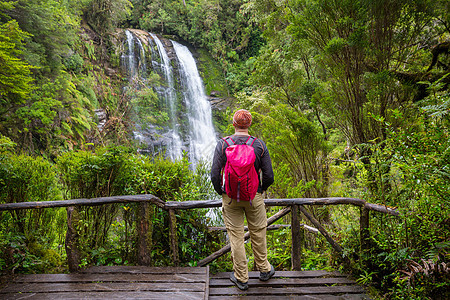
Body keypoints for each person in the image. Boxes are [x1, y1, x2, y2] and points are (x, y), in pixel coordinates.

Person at [211, 109, 275, 290]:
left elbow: (214, 175)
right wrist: (260, 190)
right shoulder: (259, 145)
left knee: (236, 238)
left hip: (230, 198)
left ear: (234, 124)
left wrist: (222, 192)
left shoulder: (223, 144)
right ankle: (264, 270)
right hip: (253, 196)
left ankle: (241, 278)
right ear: (249, 125)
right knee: (258, 233)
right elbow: (269, 176)